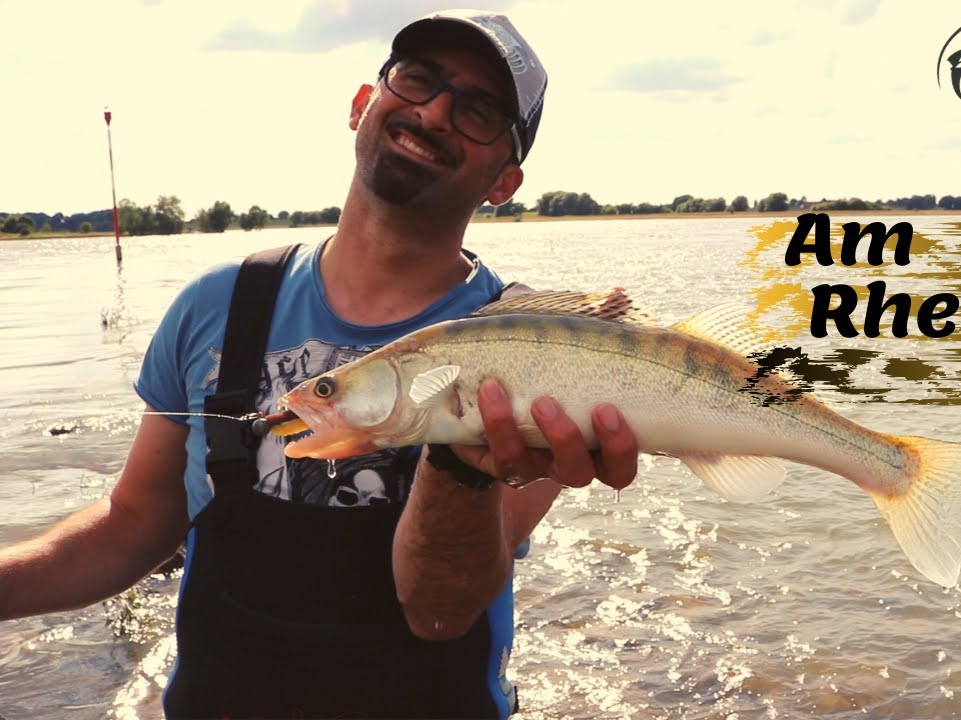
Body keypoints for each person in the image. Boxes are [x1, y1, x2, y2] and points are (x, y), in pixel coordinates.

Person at [0, 10, 639, 718]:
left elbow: (439, 611)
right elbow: (132, 525)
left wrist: (460, 459)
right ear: (364, 104)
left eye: (478, 111)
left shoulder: (535, 347)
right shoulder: (216, 303)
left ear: (504, 181)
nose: (432, 112)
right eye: (417, 79)